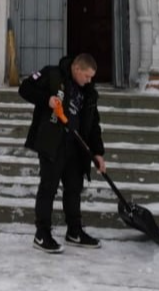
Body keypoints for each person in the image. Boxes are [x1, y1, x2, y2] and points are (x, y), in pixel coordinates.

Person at [19, 53, 106, 253]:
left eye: (91, 77)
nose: (89, 81)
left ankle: (74, 231)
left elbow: (93, 124)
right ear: (76, 69)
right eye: (86, 76)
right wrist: (47, 99)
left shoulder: (89, 92)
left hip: (76, 147)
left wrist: (98, 153)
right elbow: (24, 88)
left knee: (74, 189)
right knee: (48, 188)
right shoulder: (52, 75)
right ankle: (42, 234)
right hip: (53, 143)